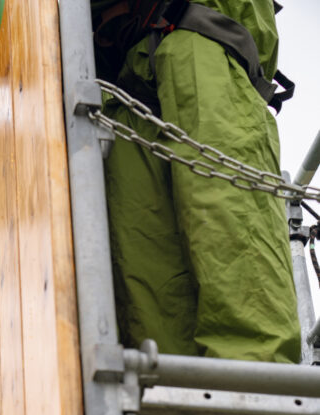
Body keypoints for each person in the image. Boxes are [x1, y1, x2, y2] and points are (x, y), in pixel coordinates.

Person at [93, 0, 301, 365]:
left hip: (197, 39)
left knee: (227, 221)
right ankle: (171, 409)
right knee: (146, 266)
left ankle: (255, 391)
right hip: (124, 92)